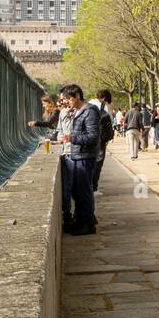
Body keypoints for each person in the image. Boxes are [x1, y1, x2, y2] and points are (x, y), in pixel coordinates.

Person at [59, 84, 101, 236]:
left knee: (84, 192)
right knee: (78, 192)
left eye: (68, 99)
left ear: (77, 96)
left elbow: (93, 136)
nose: (66, 102)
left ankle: (88, 224)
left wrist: (71, 138)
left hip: (85, 156)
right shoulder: (78, 111)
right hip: (78, 155)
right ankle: (80, 221)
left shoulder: (90, 111)